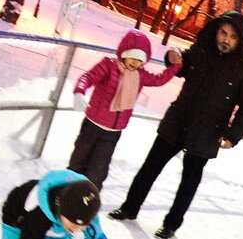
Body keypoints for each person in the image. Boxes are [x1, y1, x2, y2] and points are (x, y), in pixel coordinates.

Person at [109, 11, 243, 239]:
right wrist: (173, 55)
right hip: (179, 120)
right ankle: (130, 208)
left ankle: (171, 225)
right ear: (217, 30)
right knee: (151, 166)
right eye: (223, 32)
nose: (225, 40)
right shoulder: (203, 50)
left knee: (189, 181)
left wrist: (233, 135)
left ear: (241, 40)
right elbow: (181, 63)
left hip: (208, 131)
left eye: (232, 36)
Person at [68, 31, 182, 192]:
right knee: (77, 163)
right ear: (123, 53)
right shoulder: (109, 65)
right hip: (92, 126)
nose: (135, 63)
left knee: (97, 172)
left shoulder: (140, 75)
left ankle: (87, 203)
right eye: (132, 57)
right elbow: (88, 77)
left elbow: (159, 80)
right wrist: (79, 91)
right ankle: (65, 195)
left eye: (140, 60)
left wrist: (176, 66)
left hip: (113, 132)